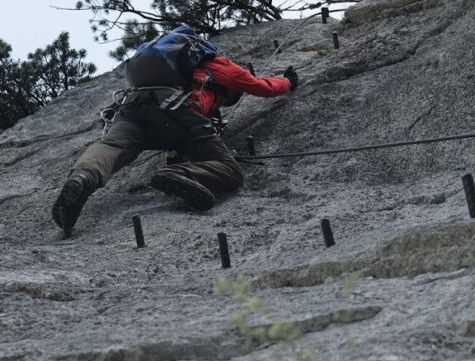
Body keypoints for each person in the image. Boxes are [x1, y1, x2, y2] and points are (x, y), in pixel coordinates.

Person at [51, 34, 298, 236]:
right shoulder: (222, 66)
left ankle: (81, 178)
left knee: (112, 145)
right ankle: (176, 174)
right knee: (229, 171)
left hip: (133, 107)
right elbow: (263, 87)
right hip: (178, 112)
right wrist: (287, 81)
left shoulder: (165, 70)